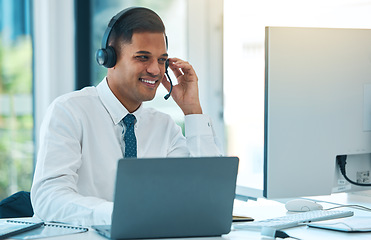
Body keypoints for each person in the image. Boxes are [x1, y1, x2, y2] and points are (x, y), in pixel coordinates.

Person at [31, 7, 222, 226]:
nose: (155, 70)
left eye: (162, 60)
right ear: (108, 59)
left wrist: (192, 110)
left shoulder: (164, 127)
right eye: (143, 57)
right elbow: (48, 199)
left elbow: (209, 194)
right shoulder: (70, 111)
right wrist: (120, 215)